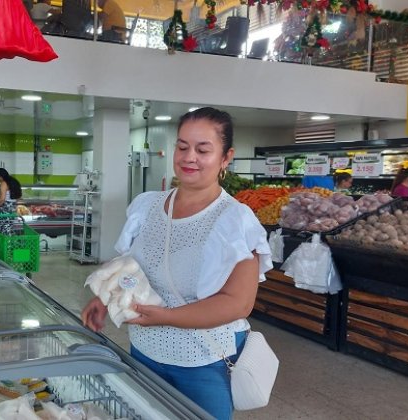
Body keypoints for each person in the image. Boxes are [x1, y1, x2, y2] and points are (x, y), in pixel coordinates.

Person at [81, 107, 272, 419]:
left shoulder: (235, 221)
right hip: (144, 351)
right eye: (182, 147)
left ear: (226, 157)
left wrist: (167, 316)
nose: (189, 157)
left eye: (203, 149)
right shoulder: (147, 206)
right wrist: (107, 297)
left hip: (204, 362)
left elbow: (238, 303)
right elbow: (133, 267)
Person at [0, 168, 23, 235]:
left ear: (0, 177)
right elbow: (19, 196)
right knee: (10, 226)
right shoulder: (14, 181)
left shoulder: (4, 183)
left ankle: (5, 243)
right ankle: (10, 243)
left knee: (4, 227)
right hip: (13, 207)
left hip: (5, 207)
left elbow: (2, 199)